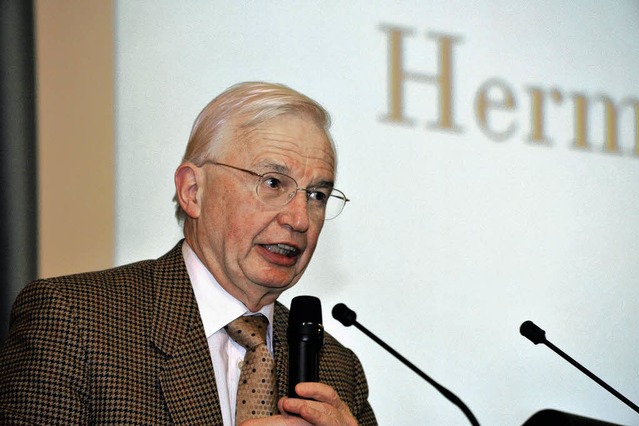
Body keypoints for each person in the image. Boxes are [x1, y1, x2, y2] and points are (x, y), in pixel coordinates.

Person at [0, 82, 377, 425]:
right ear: (193, 191)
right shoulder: (75, 322)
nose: (299, 219)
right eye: (273, 183)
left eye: (317, 196)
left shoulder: (339, 369)